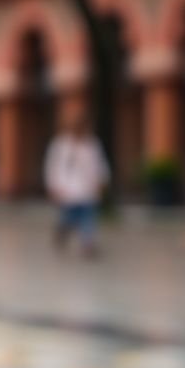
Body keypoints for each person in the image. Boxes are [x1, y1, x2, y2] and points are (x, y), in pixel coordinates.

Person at [44, 105, 111, 258]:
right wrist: (53, 186)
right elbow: (52, 166)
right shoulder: (60, 145)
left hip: (87, 189)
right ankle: (62, 230)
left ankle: (88, 244)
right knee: (69, 217)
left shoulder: (92, 144)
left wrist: (102, 180)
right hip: (68, 189)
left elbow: (100, 163)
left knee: (88, 217)